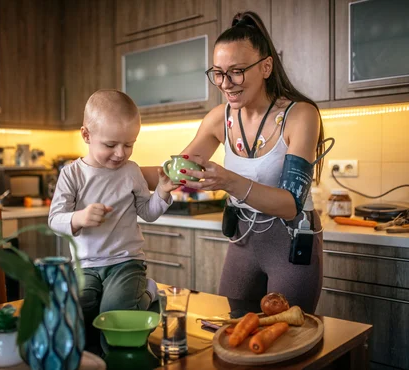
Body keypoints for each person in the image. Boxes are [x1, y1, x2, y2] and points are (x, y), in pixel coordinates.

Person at [143, 11, 327, 315]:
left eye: (237, 71)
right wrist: (117, 171)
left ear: (266, 66)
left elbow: (290, 203)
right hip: (243, 238)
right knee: (232, 329)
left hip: (291, 239)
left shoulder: (300, 115)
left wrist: (229, 181)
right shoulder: (220, 118)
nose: (225, 84)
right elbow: (176, 171)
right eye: (218, 73)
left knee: (287, 335)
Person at [48, 89, 178, 348]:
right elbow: (54, 220)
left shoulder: (131, 171)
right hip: (84, 264)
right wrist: (79, 217)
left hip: (125, 261)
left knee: (115, 312)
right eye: (110, 145)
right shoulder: (72, 174)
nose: (121, 153)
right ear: (86, 135)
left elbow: (148, 212)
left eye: (129, 144)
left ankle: (149, 295)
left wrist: (162, 192)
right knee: (80, 314)